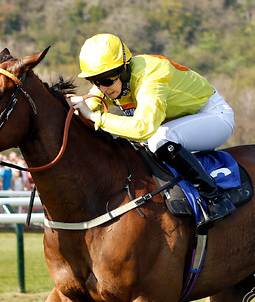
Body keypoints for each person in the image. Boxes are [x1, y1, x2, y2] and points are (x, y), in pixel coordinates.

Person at [70, 33, 236, 231]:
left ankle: (215, 198)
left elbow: (144, 129)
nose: (102, 87)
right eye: (94, 80)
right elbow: (93, 100)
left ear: (124, 68)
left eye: (106, 80)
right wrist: (78, 105)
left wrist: (96, 117)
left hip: (213, 116)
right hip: (179, 122)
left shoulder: (152, 76)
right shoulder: (111, 79)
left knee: (158, 139)